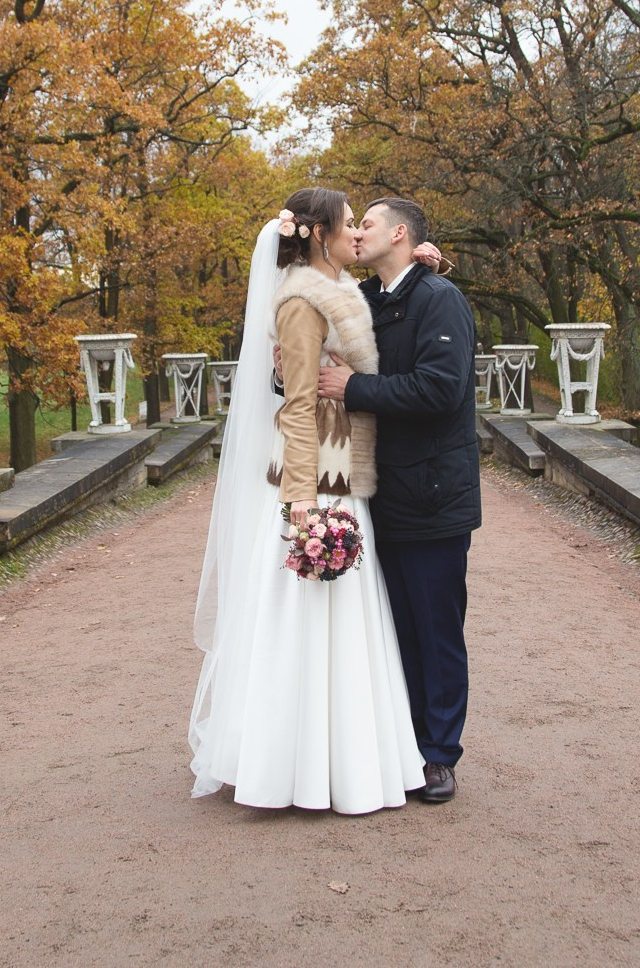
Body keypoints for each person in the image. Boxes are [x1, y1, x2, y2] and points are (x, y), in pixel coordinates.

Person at [187, 188, 424, 813]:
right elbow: (294, 404)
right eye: (348, 224)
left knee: (343, 626)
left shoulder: (343, 289)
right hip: (314, 479)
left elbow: (386, 302)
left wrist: (425, 261)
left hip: (344, 470)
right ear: (319, 234)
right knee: (301, 623)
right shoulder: (299, 301)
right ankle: (288, 768)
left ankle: (342, 762)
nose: (355, 233)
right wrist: (300, 500)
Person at [316, 196, 479, 804]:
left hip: (434, 494)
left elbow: (441, 389)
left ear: (401, 234)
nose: (357, 233)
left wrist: (355, 388)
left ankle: (439, 755)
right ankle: (403, 745)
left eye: (367, 225)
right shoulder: (370, 301)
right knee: (394, 631)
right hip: (380, 494)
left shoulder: (439, 300)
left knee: (436, 631)